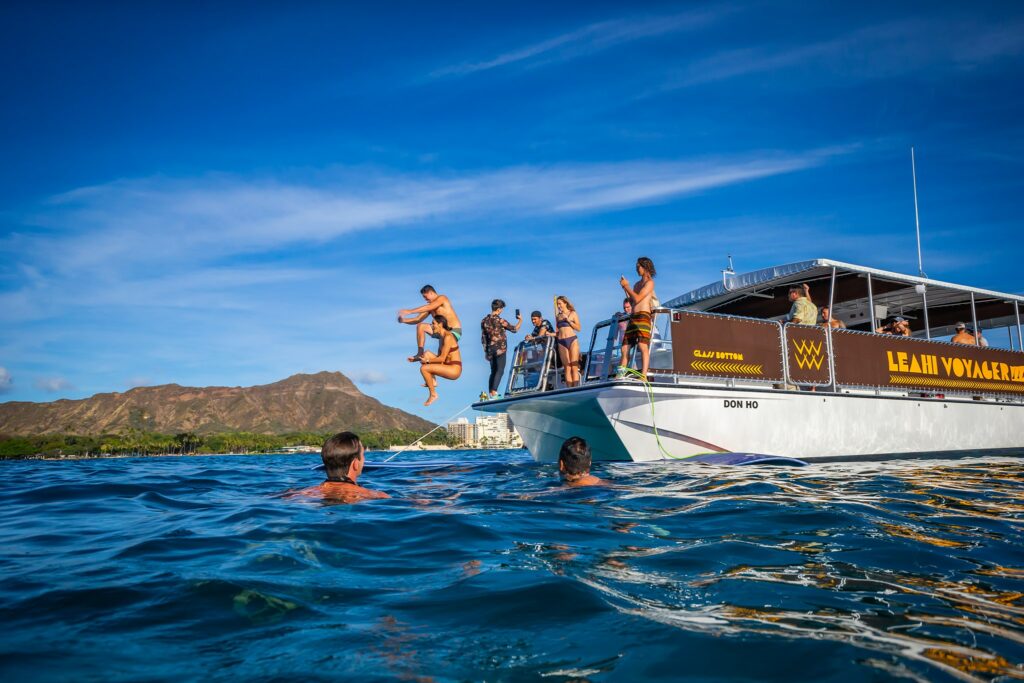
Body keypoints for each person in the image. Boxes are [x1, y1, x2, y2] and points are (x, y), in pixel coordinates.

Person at [294, 431, 388, 503]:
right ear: (355, 464)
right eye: (363, 455)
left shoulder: (299, 493)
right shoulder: (377, 496)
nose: (364, 459)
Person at [397, 285, 463, 362]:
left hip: (453, 331)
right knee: (421, 326)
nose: (425, 299)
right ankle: (420, 353)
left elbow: (429, 307)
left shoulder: (442, 298)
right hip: (440, 332)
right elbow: (417, 319)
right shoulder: (430, 307)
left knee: (443, 358)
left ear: (431, 293)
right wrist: (403, 320)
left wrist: (410, 311)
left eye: (425, 297)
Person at [619, 257, 657, 379]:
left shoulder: (650, 283)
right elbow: (632, 300)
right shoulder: (637, 284)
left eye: (638, 266)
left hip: (643, 316)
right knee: (624, 348)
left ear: (645, 267)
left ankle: (644, 375)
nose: (636, 269)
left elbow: (638, 298)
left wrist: (627, 286)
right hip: (634, 316)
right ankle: (620, 375)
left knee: (642, 345)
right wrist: (625, 288)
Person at [481, 299, 522, 399]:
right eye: (502, 309)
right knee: (500, 370)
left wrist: (486, 351)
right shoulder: (500, 320)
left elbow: (483, 337)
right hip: (500, 349)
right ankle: (494, 392)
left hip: (490, 349)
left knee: (493, 371)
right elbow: (514, 329)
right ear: (499, 309)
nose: (502, 311)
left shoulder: (484, 321)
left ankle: (490, 392)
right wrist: (520, 320)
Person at [419, 315, 462, 406]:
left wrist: (427, 361)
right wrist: (421, 358)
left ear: (441, 324)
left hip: (454, 369)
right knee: (426, 353)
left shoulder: (448, 337)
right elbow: (439, 359)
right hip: (446, 365)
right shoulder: (441, 338)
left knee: (424, 368)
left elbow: (441, 358)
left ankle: (433, 394)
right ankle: (433, 381)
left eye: (433, 323)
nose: (431, 326)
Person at [554, 296, 582, 386]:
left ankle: (576, 388)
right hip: (561, 341)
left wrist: (569, 320)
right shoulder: (558, 316)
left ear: (565, 303)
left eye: (560, 303)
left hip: (572, 340)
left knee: (574, 366)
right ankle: (569, 389)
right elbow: (558, 332)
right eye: (557, 304)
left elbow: (578, 328)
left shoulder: (572, 313)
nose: (558, 306)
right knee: (567, 367)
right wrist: (551, 334)